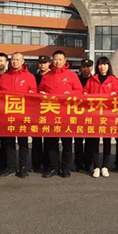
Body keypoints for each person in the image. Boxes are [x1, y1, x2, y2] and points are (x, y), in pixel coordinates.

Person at [39, 50, 83, 178]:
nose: (57, 62)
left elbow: (79, 90)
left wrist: (71, 94)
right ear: (52, 61)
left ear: (64, 61)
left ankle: (65, 168)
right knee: (51, 143)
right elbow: (40, 90)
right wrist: (41, 94)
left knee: (67, 143)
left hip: (66, 115)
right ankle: (54, 167)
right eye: (55, 59)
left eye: (60, 59)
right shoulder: (46, 76)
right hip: (51, 115)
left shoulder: (71, 75)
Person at [0, 52, 38, 179]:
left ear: (23, 61)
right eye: (13, 60)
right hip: (7, 115)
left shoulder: (29, 77)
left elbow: (34, 94)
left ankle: (23, 167)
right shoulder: (5, 76)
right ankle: (11, 167)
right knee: (8, 143)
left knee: (23, 142)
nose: (15, 62)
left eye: (17, 60)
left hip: (23, 115)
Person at [84, 56, 118, 178]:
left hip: (108, 116)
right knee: (94, 141)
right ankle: (96, 166)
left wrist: (116, 94)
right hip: (94, 115)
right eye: (100, 64)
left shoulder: (113, 80)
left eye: (105, 64)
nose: (102, 67)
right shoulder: (92, 79)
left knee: (107, 141)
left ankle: (105, 166)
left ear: (108, 66)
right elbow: (85, 93)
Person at [32, 55, 51, 173]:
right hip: (35, 111)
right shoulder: (33, 77)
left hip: (49, 111)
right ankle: (36, 164)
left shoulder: (52, 76)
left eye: (44, 63)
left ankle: (48, 164)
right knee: (36, 139)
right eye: (40, 63)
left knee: (49, 140)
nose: (42, 65)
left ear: (49, 64)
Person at [75, 59, 94, 173]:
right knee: (78, 141)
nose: (86, 69)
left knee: (89, 141)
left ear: (92, 68)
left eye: (88, 67)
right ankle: (78, 164)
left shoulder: (94, 79)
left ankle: (88, 163)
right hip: (77, 113)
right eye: (84, 67)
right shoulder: (76, 79)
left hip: (90, 113)